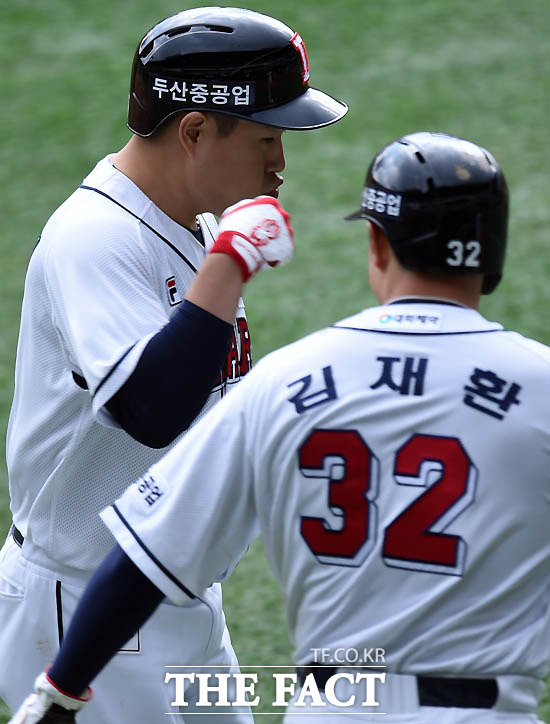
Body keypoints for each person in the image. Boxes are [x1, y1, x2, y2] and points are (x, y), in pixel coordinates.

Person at [9, 131, 550, 724]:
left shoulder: (290, 380)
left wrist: (61, 689)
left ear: (376, 244)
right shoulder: (540, 385)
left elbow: (143, 555)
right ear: (492, 251)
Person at [0, 6, 348, 723]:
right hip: (85, 607)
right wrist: (229, 266)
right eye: (266, 139)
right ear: (195, 131)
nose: (280, 164)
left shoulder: (197, 221)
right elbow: (150, 409)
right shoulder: (96, 239)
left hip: (168, 589)